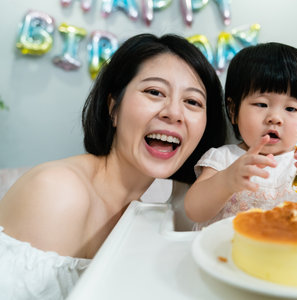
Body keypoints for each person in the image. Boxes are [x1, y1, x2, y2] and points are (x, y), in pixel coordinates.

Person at [0, 33, 226, 299]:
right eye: (154, 92)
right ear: (113, 107)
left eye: (192, 102)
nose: (173, 113)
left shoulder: (160, 207)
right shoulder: (57, 192)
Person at [184, 42, 297, 230]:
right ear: (233, 110)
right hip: (228, 252)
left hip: (289, 252)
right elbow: (193, 211)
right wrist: (227, 180)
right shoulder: (224, 159)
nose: (275, 118)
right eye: (261, 104)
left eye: (291, 108)